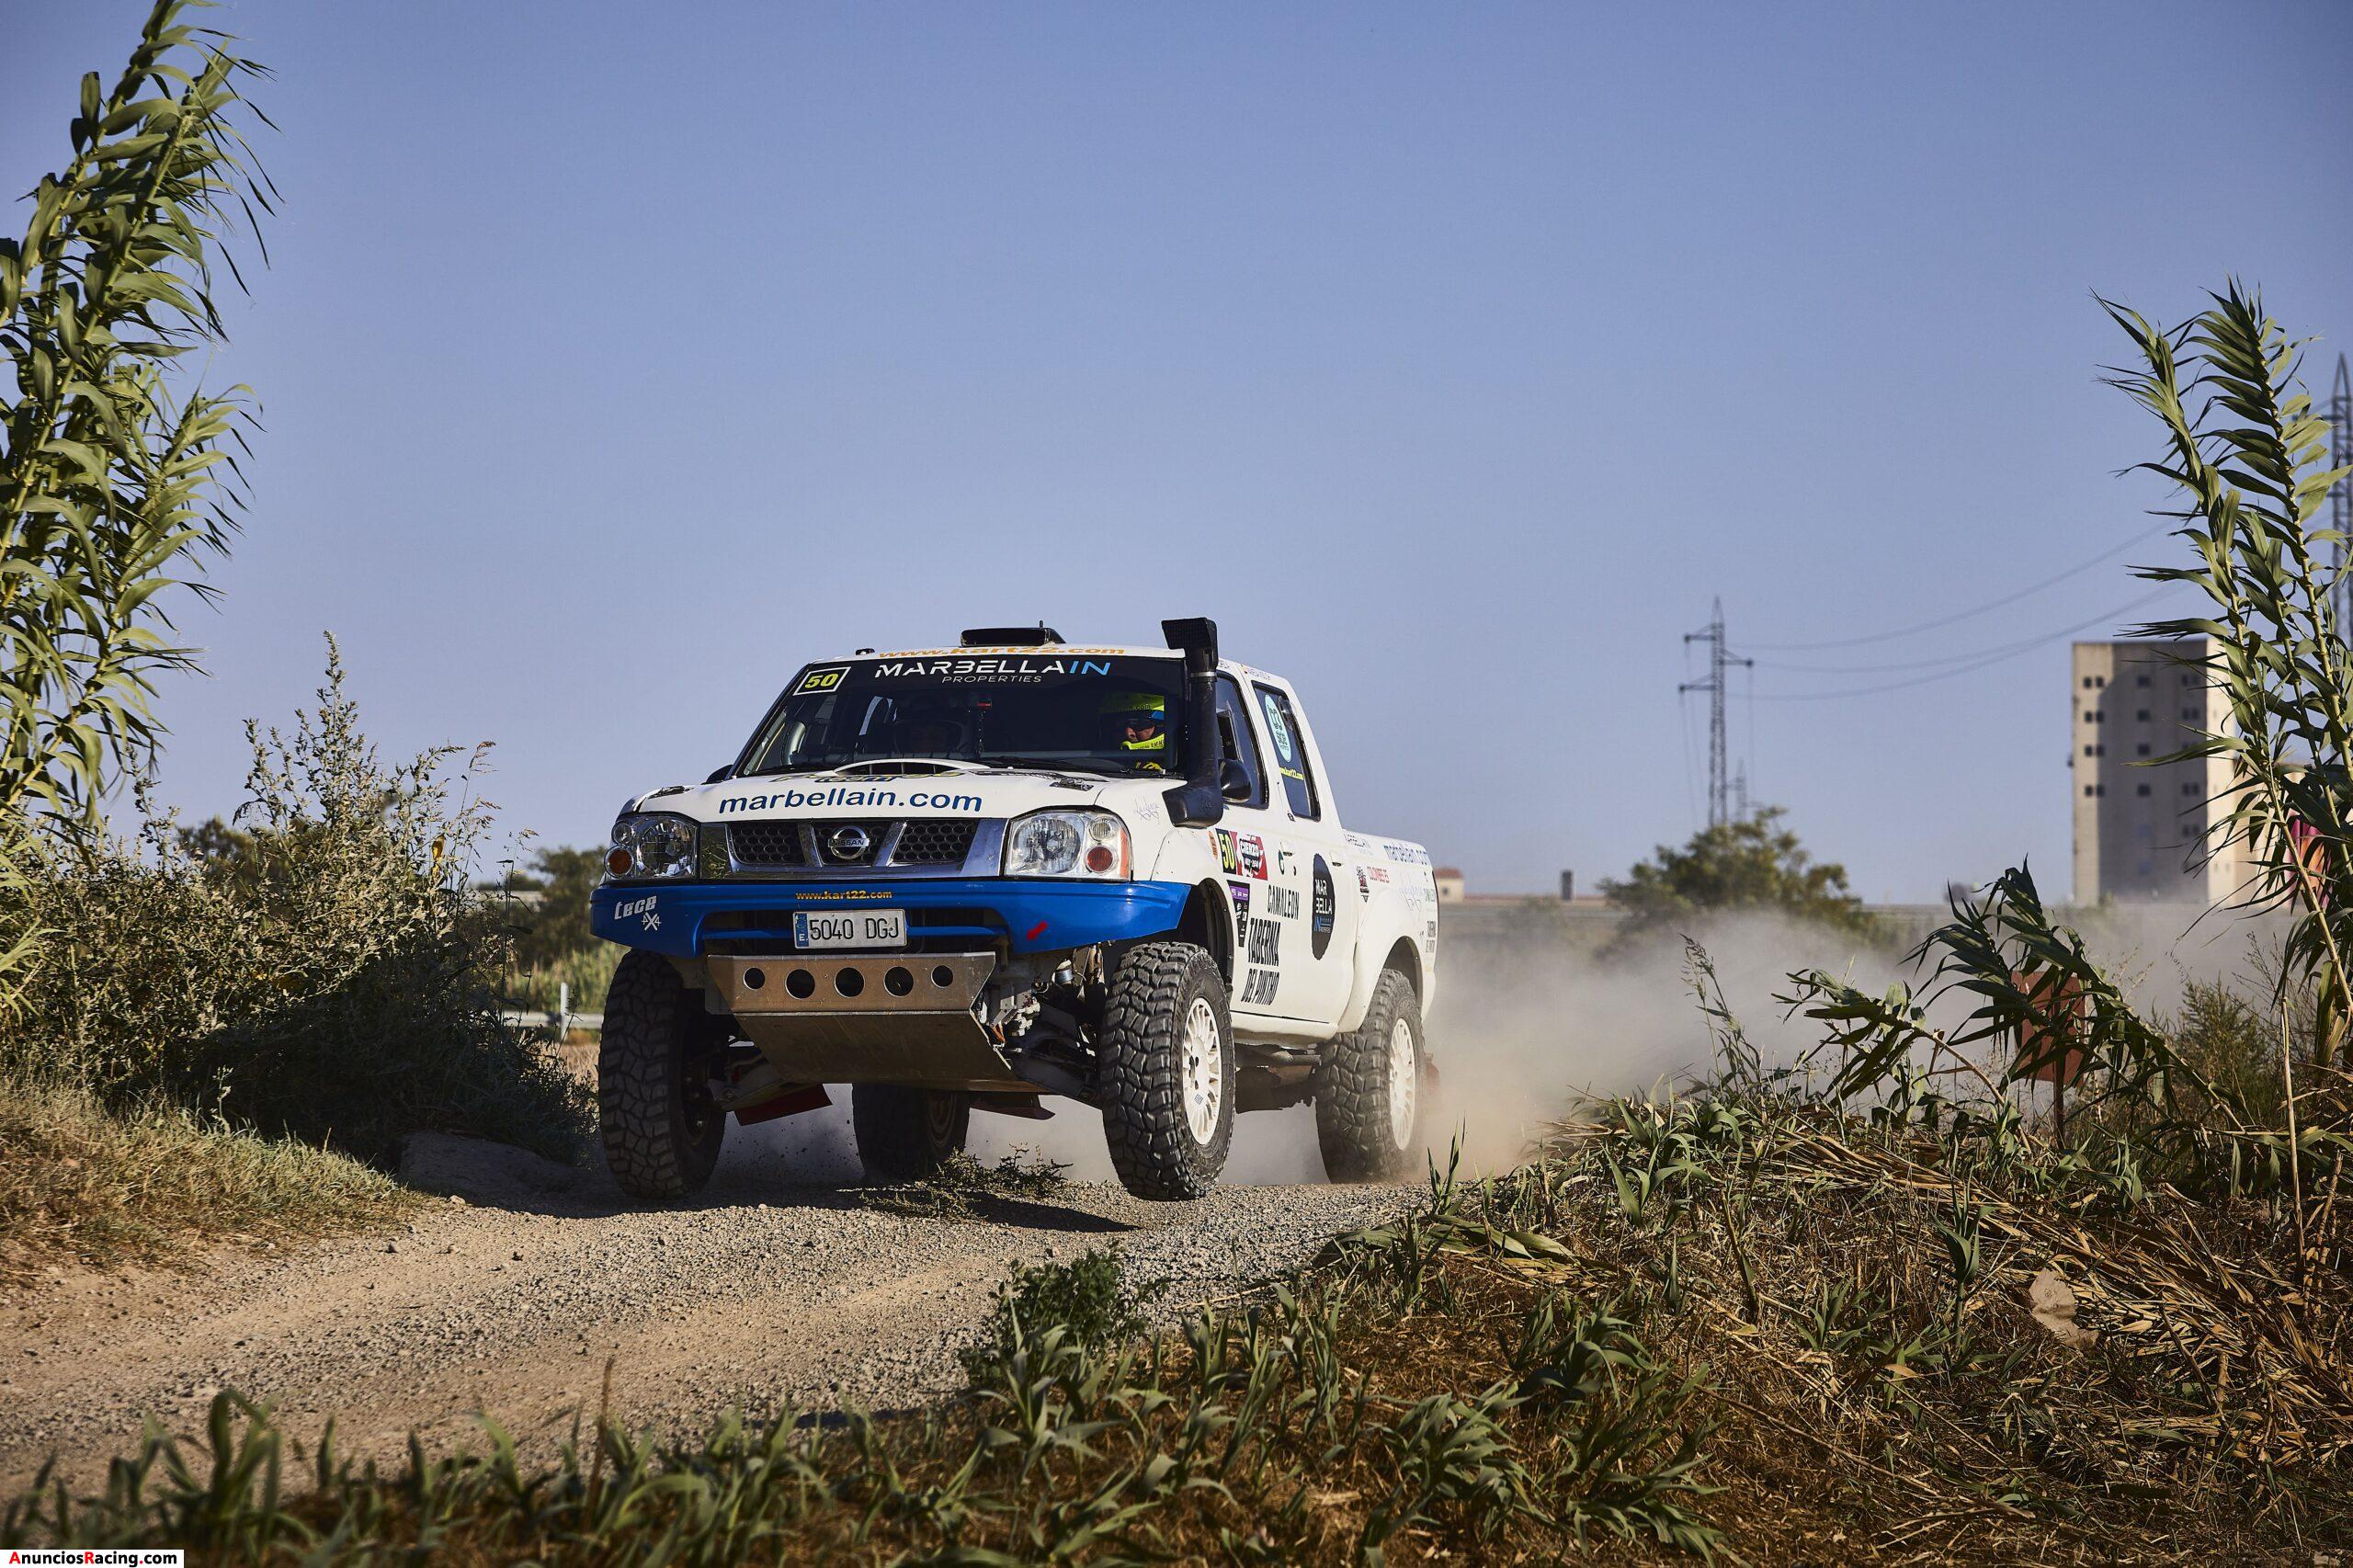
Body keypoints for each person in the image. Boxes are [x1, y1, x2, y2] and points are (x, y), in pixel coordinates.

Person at [1103, 690, 1170, 771]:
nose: (1128, 733)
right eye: (1119, 725)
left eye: (1139, 724)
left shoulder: (1183, 767)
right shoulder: (1094, 762)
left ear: (1162, 725)